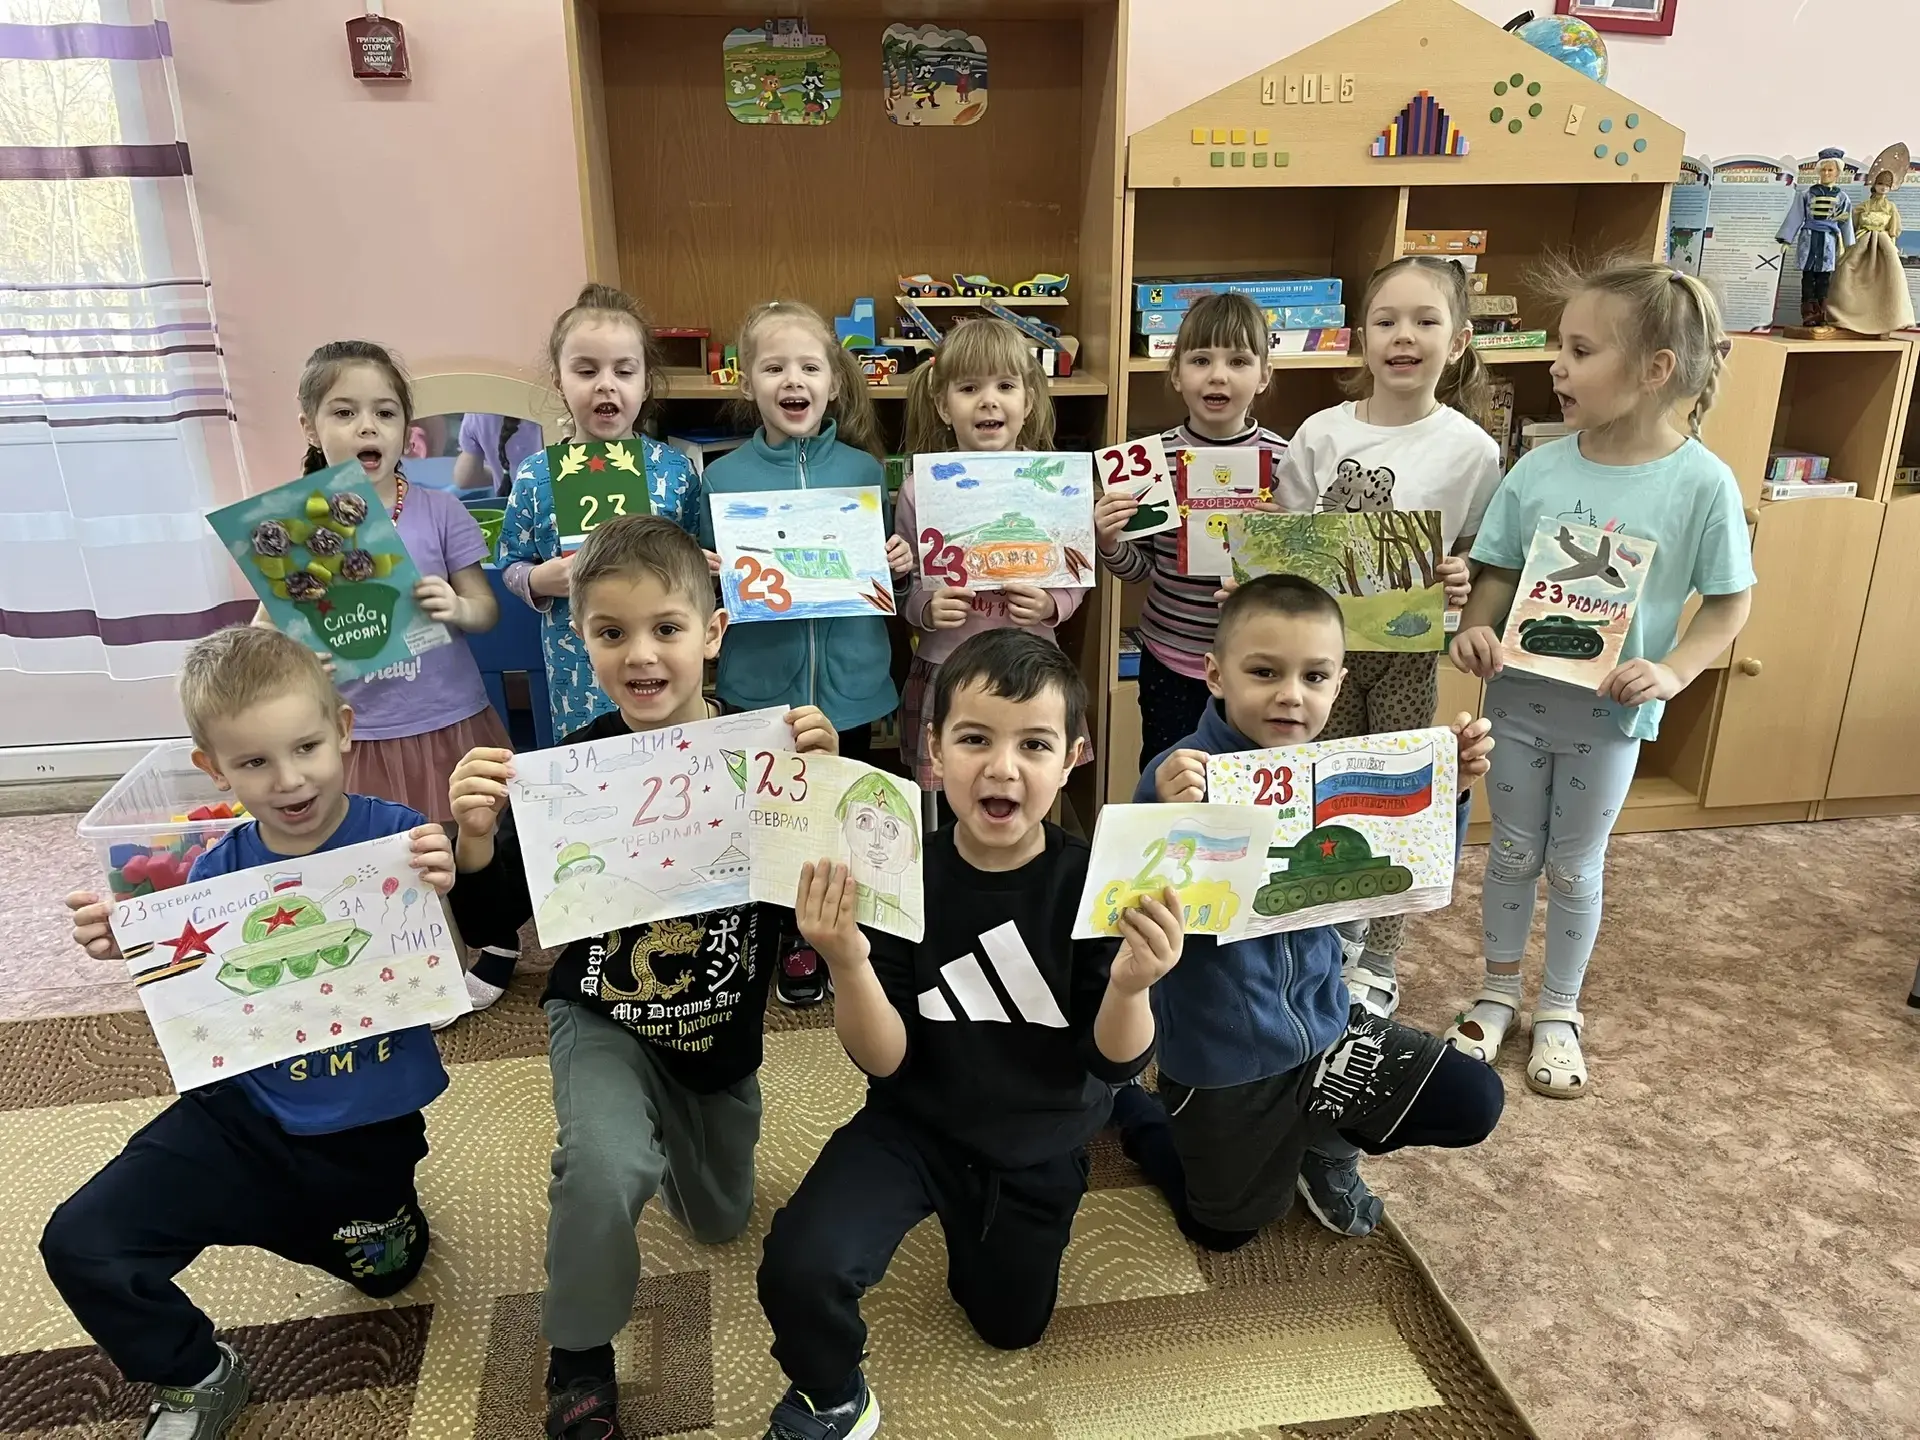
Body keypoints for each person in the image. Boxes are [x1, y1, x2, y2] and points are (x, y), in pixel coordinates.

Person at [444, 516, 838, 1440]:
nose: (641, 654)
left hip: (719, 1032)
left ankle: (663, 1133)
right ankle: (578, 1353)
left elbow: (819, 904)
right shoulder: (567, 773)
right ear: (582, 642)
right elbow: (493, 921)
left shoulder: (766, 754)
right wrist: (475, 839)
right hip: (604, 1012)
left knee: (720, 1219)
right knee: (604, 1164)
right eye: (611, 632)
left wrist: (822, 790)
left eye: (667, 628)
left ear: (714, 633)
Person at [754, 629, 1184, 1440]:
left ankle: (1127, 1125)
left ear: (1074, 757)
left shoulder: (1095, 885)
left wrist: (1132, 985)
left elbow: (1114, 1056)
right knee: (800, 1264)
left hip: (1040, 1134)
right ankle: (832, 1397)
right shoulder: (897, 876)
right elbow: (885, 1061)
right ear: (934, 749)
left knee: (1008, 1325)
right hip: (916, 1121)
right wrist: (847, 959)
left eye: (1034, 745)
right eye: (975, 739)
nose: (1002, 767)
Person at [48, 626, 457, 1439]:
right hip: (240, 1115)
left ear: (343, 729)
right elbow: (202, 998)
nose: (289, 779)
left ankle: (376, 1212)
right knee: (80, 1241)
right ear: (214, 769)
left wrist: (446, 889)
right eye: (255, 761)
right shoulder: (215, 873)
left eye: (306, 746)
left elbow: (443, 972)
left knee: (386, 1276)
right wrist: (134, 947)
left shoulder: (400, 839)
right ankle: (196, 1375)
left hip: (363, 1132)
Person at [1115, 575, 1502, 1244]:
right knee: (1224, 1231)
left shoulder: (1337, 767)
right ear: (1215, 674)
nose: (1291, 694)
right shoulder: (1182, 774)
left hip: (1328, 1028)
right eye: (1264, 672)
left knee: (1473, 1098)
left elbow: (1408, 873)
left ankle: (1327, 1139)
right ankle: (1138, 1114)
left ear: (1338, 684)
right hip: (1224, 1062)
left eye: (1314, 676)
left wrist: (1453, 791)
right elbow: (1129, 902)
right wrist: (1161, 808)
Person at [1447, 258, 1754, 1098]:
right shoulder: (1539, 470)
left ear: (1657, 370)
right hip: (1517, 702)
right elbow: (1498, 571)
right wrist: (1476, 628)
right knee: (1512, 851)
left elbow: (1729, 603)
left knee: (1576, 866)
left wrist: (1673, 669)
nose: (1558, 366)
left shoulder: (1702, 483)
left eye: (1581, 351)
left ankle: (1559, 1008)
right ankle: (1497, 992)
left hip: (1607, 720)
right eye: (1561, 347)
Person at [1274, 257, 1503, 1019]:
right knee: (1324, 790)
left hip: (1407, 655)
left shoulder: (1472, 449)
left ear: (1459, 340)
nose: (1404, 337)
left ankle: (1378, 955)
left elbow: (1480, 552)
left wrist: (1464, 574)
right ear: (1360, 338)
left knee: (1397, 797)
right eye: (1386, 321)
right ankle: (1328, 934)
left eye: (1425, 321)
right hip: (1322, 658)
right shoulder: (1322, 433)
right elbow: (1287, 538)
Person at [268, 340, 517, 1014]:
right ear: (310, 427)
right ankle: (412, 954)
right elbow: (268, 636)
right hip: (360, 729)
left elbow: (486, 609)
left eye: (384, 412)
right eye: (344, 412)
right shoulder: (291, 526)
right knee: (387, 851)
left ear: (406, 428)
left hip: (448, 716)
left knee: (469, 832)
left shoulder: (439, 510)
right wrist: (297, 657)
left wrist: (457, 605)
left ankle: (494, 939)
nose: (366, 427)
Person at [698, 301, 913, 1010]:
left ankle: (834, 930)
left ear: (834, 382)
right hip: (762, 684)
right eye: (774, 367)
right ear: (747, 382)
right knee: (774, 818)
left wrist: (898, 559)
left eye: (809, 367)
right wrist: (707, 570)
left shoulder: (862, 469)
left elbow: (883, 573)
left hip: (850, 684)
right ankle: (783, 930)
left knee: (842, 812)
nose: (793, 380)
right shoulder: (722, 479)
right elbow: (707, 590)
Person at [893, 318, 1091, 823]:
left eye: (1005, 386)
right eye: (969, 389)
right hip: (947, 664)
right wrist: (926, 609)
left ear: (1028, 401)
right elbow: (906, 585)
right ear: (943, 406)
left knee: (1029, 788)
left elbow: (1074, 573)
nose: (988, 401)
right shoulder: (920, 488)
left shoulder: (1054, 483)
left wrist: (1051, 604)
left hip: (1031, 667)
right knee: (947, 800)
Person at [500, 283, 705, 744]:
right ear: (559, 381)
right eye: (586, 370)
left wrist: (700, 562)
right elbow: (510, 562)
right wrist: (539, 580)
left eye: (624, 371)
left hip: (660, 664)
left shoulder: (675, 471)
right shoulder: (535, 476)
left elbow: (692, 551)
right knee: (590, 767)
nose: (606, 384)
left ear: (645, 382)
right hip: (577, 667)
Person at [1095, 292, 1289, 772]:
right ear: (1177, 374)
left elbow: (1301, 581)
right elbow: (1139, 570)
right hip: (1171, 658)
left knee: (1249, 779)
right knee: (1169, 776)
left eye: (1238, 361)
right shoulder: (1148, 462)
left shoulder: (1285, 461)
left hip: (1258, 663)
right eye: (1201, 360)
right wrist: (1108, 541)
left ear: (1264, 375)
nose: (1218, 375)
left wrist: (1284, 549)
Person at [453, 411, 543, 497]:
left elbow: (465, 478)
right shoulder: (546, 407)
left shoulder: (476, 414)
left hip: (513, 502)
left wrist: (507, 473)